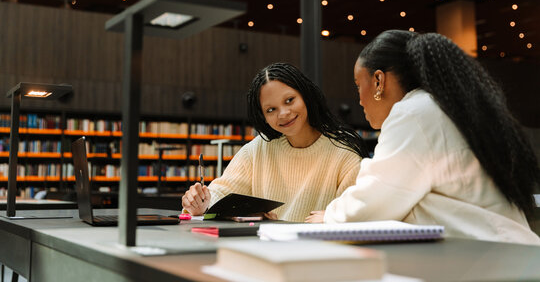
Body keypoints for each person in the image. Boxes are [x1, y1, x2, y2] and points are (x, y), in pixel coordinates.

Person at [306, 30, 540, 245]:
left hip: (490, 257)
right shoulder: (445, 107)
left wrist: (331, 216)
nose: (359, 99)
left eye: (358, 85)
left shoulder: (414, 112)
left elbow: (375, 200)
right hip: (503, 251)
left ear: (379, 81)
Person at [182, 62, 368, 222]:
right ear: (262, 116)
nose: (283, 113)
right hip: (263, 250)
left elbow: (354, 215)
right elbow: (222, 192)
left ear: (305, 96)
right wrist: (201, 203)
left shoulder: (344, 154)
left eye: (289, 100)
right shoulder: (257, 149)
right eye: (271, 109)